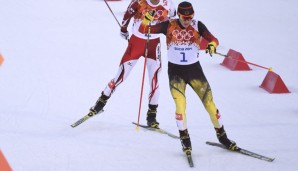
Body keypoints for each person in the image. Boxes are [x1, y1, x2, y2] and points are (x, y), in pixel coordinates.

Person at [139, 1, 237, 153]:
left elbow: (214, 39)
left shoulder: (198, 25)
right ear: (178, 15)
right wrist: (146, 19)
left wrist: (212, 45)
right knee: (180, 107)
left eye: (190, 17)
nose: (187, 21)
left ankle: (223, 137)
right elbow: (144, 29)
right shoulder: (168, 25)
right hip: (176, 74)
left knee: (210, 105)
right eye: (184, 18)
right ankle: (185, 141)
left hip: (195, 72)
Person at [88, 0, 176, 128]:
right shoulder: (139, 2)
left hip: (154, 44)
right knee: (121, 75)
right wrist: (123, 30)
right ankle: (100, 103)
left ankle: (151, 116)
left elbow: (174, 22)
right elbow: (127, 15)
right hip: (136, 42)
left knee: (155, 80)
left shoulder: (168, 4)